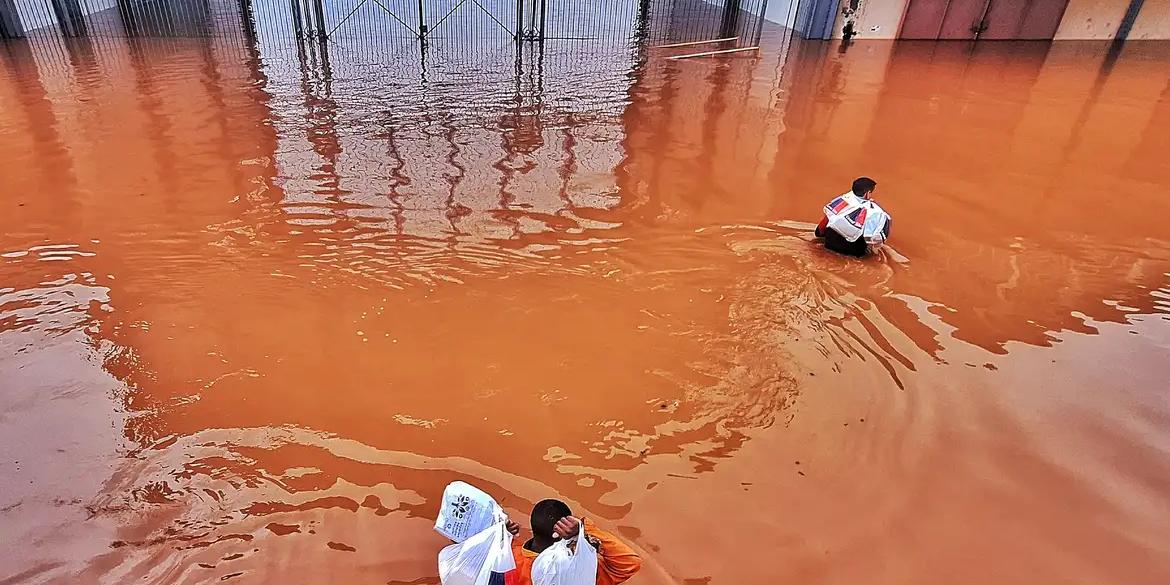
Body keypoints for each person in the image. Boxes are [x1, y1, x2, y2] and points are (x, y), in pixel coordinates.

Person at [498, 499, 643, 585]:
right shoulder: (585, 570)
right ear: (563, 534)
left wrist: (503, 537)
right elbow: (630, 562)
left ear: (532, 527)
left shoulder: (508, 559)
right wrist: (585, 531)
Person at [814, 176, 891, 257]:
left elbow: (826, 220)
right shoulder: (875, 212)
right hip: (852, 251)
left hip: (829, 244)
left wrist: (819, 234)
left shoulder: (842, 200)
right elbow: (874, 240)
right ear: (867, 193)